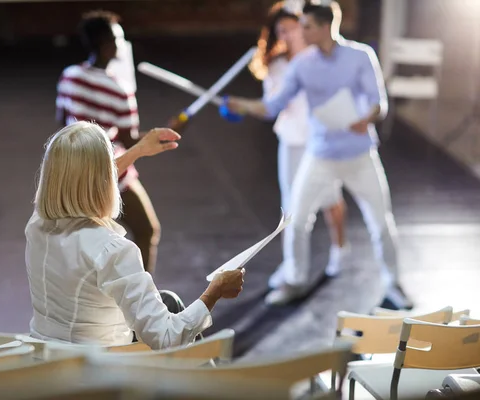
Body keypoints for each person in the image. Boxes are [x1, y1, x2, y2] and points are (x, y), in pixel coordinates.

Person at [227, 2, 413, 310]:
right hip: (321, 156)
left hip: (360, 155)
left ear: (326, 27)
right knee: (295, 219)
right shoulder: (301, 65)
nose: (300, 32)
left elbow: (379, 102)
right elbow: (272, 107)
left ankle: (394, 284)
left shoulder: (360, 56)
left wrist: (365, 118)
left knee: (381, 222)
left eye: (307, 26)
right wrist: (242, 105)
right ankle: (295, 279)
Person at [25, 121, 245, 349]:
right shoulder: (112, 250)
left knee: (167, 300)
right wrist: (215, 291)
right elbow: (167, 338)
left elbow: (78, 181)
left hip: (49, 355)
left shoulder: (37, 224)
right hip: (99, 367)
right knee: (174, 308)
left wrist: (138, 150)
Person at [56, 10, 181, 275]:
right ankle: (143, 296)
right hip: (111, 172)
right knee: (148, 231)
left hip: (73, 173)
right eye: (117, 39)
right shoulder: (119, 90)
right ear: (105, 45)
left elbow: (62, 123)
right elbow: (131, 140)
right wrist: (171, 129)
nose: (121, 45)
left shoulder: (69, 77)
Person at [248, 1, 348, 304]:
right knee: (292, 211)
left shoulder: (321, 58)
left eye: (292, 28)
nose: (288, 35)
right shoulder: (276, 66)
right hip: (292, 142)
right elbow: (271, 107)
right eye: (281, 31)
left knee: (331, 200)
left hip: (321, 143)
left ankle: (340, 250)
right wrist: (245, 107)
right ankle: (294, 271)